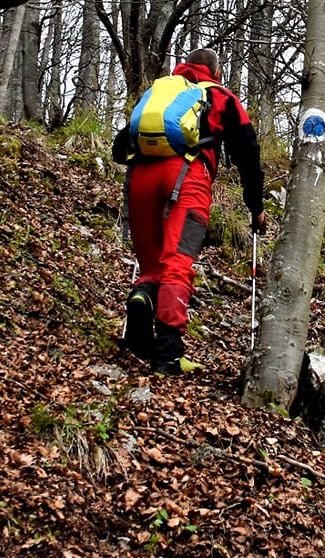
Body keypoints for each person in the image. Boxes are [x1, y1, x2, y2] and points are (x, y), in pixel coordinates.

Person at [112, 48, 265, 374]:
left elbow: (118, 147)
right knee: (178, 262)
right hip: (187, 179)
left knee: (153, 265)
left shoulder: (160, 93)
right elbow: (249, 153)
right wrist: (256, 209)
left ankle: (141, 302)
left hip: (140, 178)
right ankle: (168, 353)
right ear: (216, 70)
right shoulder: (220, 96)